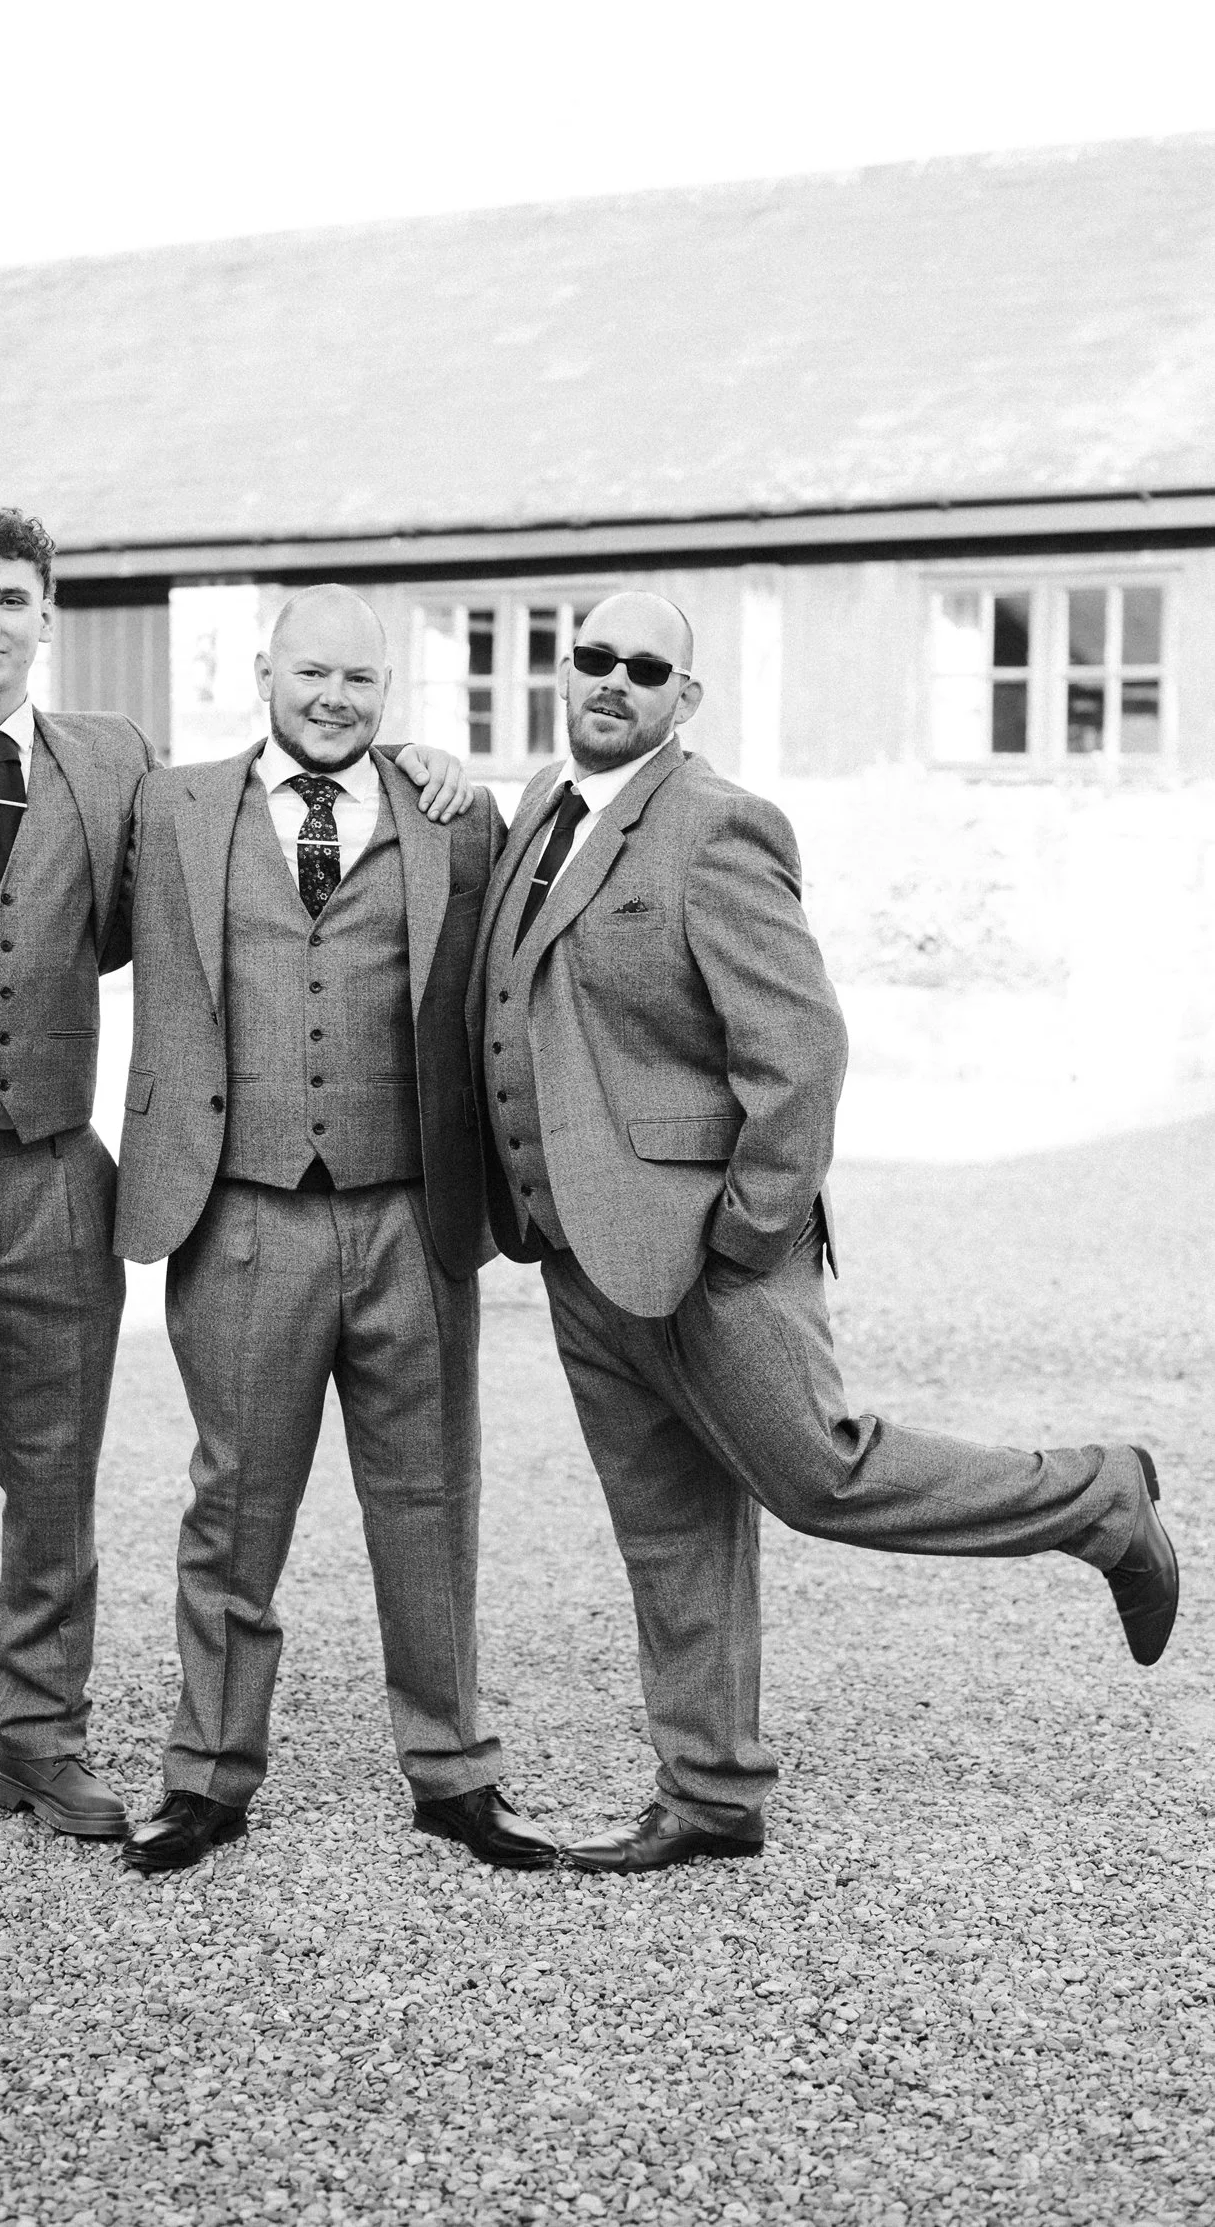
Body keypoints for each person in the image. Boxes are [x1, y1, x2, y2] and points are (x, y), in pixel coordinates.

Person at [0, 513, 472, 1890]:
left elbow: (283, 798)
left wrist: (416, 765)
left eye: (12, 598)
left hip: (56, 1190)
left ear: (50, 617)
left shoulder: (114, 768)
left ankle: (40, 1745)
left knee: (55, 1491)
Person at [470, 588, 1179, 1876]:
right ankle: (710, 1792)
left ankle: (1100, 1498)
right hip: (575, 1252)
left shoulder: (716, 825)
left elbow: (800, 1051)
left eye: (648, 667)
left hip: (710, 1250)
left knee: (820, 1475)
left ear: (686, 698)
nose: (613, 681)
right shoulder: (536, 813)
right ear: (561, 674)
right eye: (592, 659)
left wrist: (746, 1233)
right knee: (670, 1528)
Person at [114, 584, 555, 1874]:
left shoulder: (450, 818)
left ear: (389, 693)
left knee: (427, 1500)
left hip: (413, 1214)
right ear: (265, 670)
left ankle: (453, 1772)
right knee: (235, 1505)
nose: (335, 698)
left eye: (360, 681)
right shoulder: (172, 807)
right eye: (313, 672)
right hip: (241, 1214)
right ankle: (206, 1777)